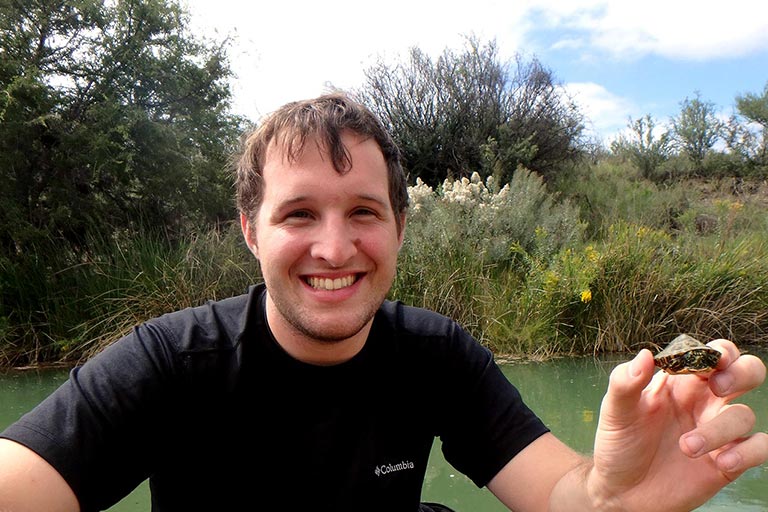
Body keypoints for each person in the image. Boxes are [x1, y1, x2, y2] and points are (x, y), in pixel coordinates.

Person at [0, 93, 766, 512]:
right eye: (299, 214)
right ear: (250, 232)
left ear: (400, 227)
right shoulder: (170, 362)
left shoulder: (438, 355)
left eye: (363, 212)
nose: (335, 249)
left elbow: (572, 495)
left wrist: (617, 493)